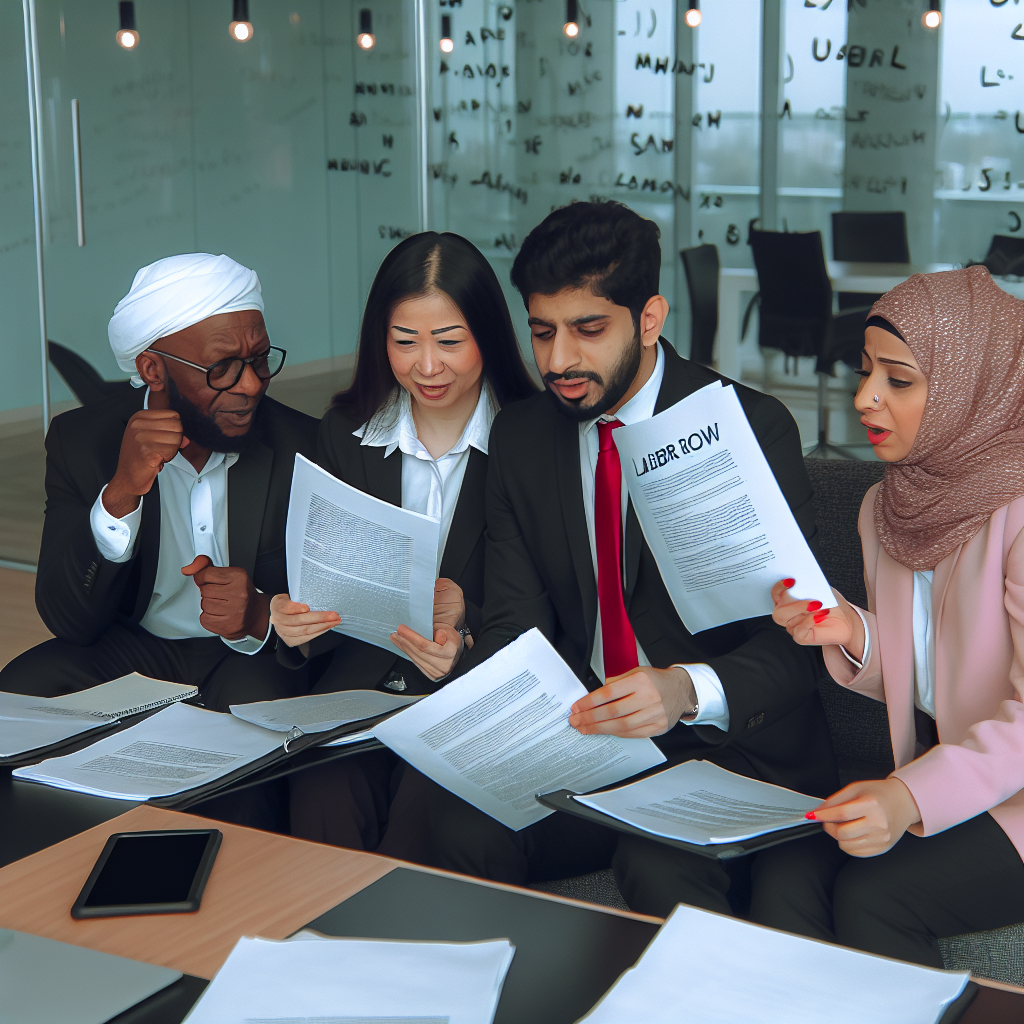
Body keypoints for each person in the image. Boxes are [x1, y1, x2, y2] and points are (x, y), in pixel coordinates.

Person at [389, 201, 838, 912]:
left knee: (658, 864)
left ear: (650, 318)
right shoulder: (524, 437)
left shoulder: (748, 427)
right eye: (542, 332)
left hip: (724, 744)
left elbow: (804, 642)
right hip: (591, 740)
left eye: (588, 330)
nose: (559, 360)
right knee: (457, 824)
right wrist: (467, 657)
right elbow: (517, 624)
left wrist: (685, 689)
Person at [767, 266, 1024, 967]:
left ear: (975, 386)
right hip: (960, 780)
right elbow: (937, 665)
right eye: (865, 372)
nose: (865, 399)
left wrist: (907, 798)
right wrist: (851, 631)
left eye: (899, 380)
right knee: (787, 869)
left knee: (876, 894)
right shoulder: (888, 504)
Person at [269, 231, 537, 851]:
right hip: (359, 689)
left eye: (449, 341)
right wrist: (293, 619)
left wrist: (465, 630)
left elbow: (554, 598)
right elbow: (322, 571)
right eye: (404, 341)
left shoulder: (531, 440)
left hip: (469, 692)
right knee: (322, 792)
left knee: (431, 807)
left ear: (489, 338)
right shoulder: (344, 434)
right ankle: (326, 946)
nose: (426, 365)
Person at [0, 253, 318, 712]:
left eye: (260, 359)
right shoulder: (83, 442)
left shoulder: (305, 445)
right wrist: (121, 494)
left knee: (257, 731)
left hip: (249, 656)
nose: (250, 384)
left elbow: (342, 607)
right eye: (223, 368)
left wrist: (261, 613)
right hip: (132, 648)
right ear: (153, 369)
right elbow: (70, 621)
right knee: (15, 703)